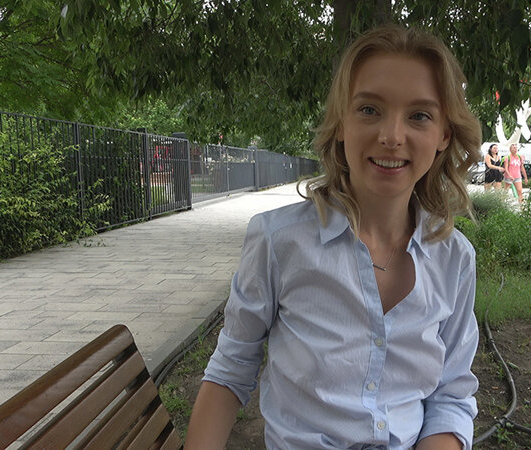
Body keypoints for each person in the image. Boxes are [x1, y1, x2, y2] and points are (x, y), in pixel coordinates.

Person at [184, 25, 481, 450]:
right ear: (341, 123)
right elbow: (230, 372)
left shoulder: (455, 259)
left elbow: (450, 395)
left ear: (444, 135)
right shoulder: (279, 243)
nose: (392, 136)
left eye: (419, 116)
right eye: (369, 110)